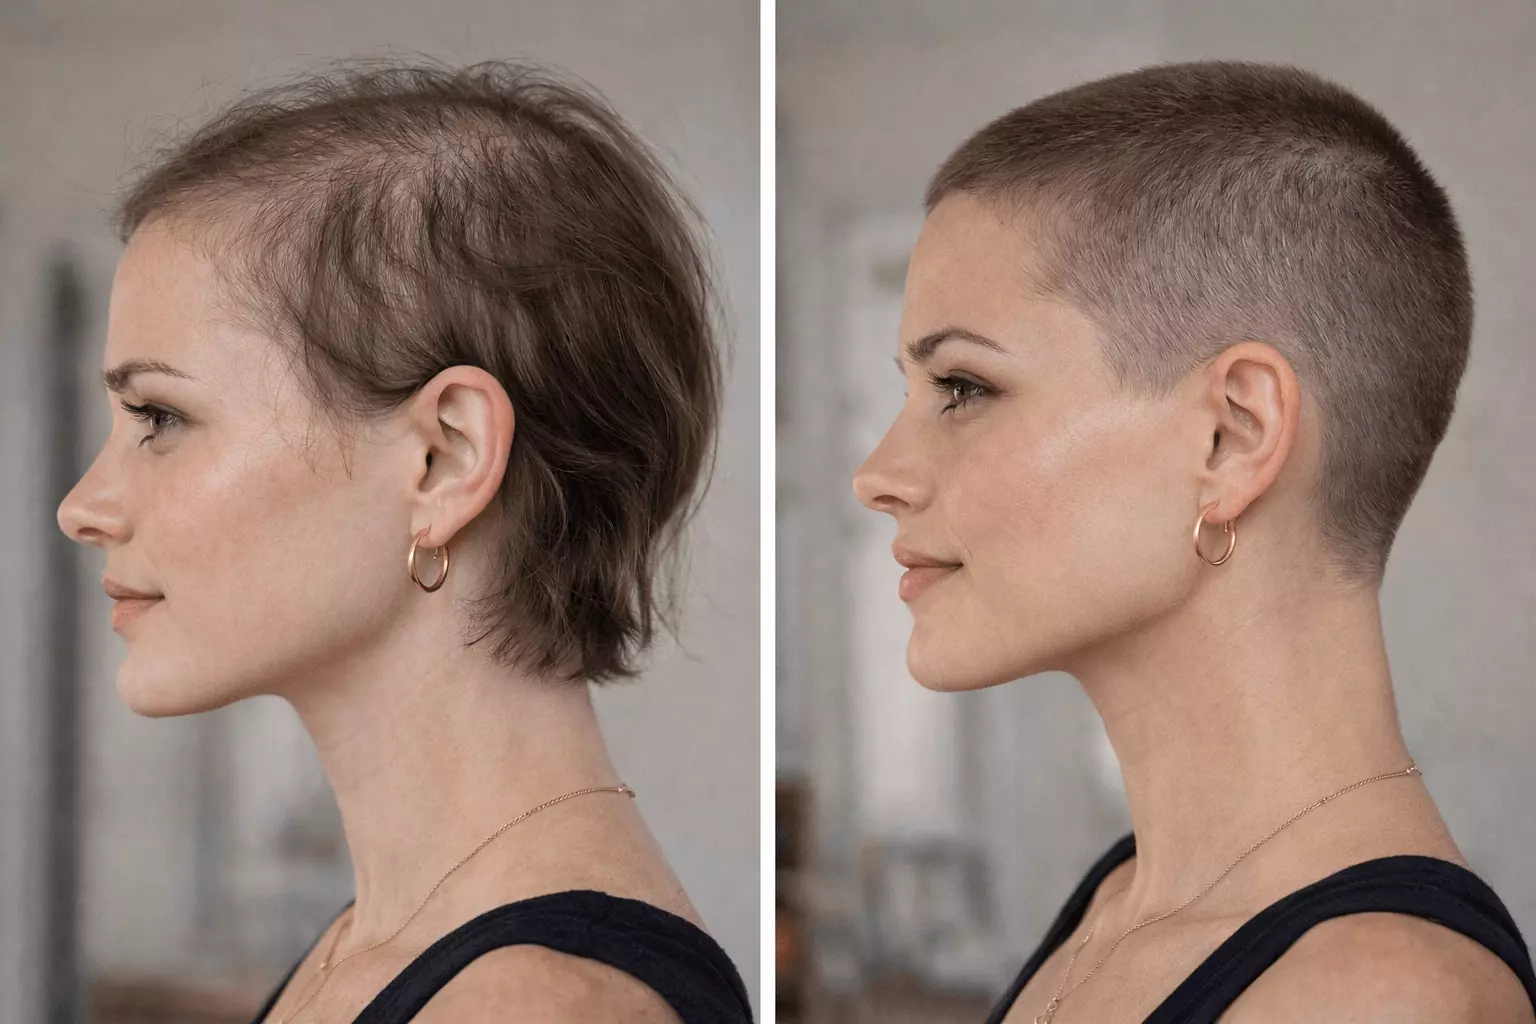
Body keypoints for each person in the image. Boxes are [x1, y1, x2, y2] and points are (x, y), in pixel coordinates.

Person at [57, 58, 751, 1024]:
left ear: (444, 459)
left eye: (159, 417)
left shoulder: (532, 1006)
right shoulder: (385, 940)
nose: (82, 505)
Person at [852, 60, 1536, 1023]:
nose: (878, 473)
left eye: (963, 388)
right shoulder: (1116, 903)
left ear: (1233, 435)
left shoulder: (1375, 998)